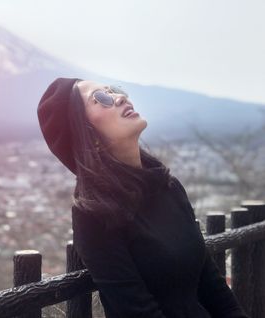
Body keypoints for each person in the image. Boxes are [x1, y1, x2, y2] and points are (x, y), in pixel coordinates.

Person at [36, 77, 250, 317]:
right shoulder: (94, 213)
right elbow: (135, 310)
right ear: (88, 135)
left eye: (113, 91)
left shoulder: (168, 186)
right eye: (101, 98)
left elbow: (212, 285)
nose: (120, 97)